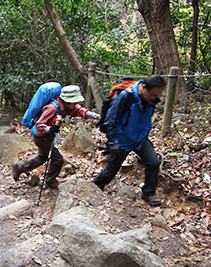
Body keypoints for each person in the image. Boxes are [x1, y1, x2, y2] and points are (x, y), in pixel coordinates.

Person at [92, 75, 165, 207]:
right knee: (111, 171)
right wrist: (113, 142)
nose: (154, 98)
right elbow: (110, 119)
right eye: (152, 94)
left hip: (140, 138)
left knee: (154, 162)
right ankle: (94, 188)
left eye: (156, 95)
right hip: (122, 140)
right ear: (143, 87)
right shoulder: (126, 96)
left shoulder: (151, 100)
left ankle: (148, 193)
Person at [12, 85, 100, 189]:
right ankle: (50, 180)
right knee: (57, 159)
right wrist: (50, 129)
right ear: (67, 101)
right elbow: (39, 125)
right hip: (41, 136)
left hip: (47, 135)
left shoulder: (67, 107)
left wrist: (94, 115)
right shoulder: (52, 108)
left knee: (42, 157)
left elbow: (79, 111)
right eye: (75, 102)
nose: (77, 104)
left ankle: (20, 167)